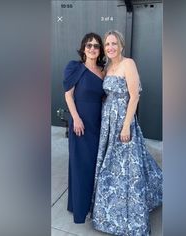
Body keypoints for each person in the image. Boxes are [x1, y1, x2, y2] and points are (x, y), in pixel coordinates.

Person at [92, 30, 162, 235]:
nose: (110, 47)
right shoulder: (108, 66)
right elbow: (106, 95)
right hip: (108, 123)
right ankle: (108, 213)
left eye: (114, 43)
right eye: (107, 44)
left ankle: (129, 216)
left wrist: (125, 126)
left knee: (126, 170)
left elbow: (134, 96)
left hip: (124, 121)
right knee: (109, 166)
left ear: (121, 45)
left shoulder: (128, 64)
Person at [63, 32, 106, 223]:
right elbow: (68, 95)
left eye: (96, 46)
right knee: (81, 166)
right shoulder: (74, 68)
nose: (92, 49)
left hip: (98, 123)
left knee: (94, 166)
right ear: (83, 48)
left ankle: (91, 205)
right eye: (89, 45)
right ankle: (79, 208)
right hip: (80, 123)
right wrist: (76, 118)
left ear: (100, 50)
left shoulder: (104, 71)